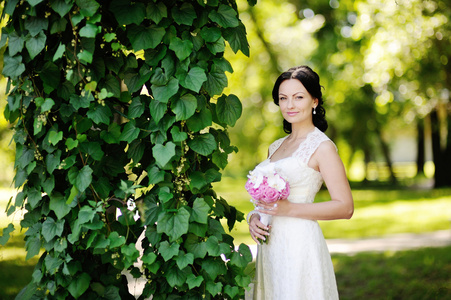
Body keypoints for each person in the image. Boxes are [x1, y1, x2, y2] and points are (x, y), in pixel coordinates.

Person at [247, 66, 354, 299]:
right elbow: (265, 199)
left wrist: (290, 209)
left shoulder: (322, 147)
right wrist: (254, 218)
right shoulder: (275, 147)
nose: (290, 105)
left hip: (299, 244)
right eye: (283, 98)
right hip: (270, 246)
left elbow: (345, 207)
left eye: (298, 97)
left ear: (314, 101)